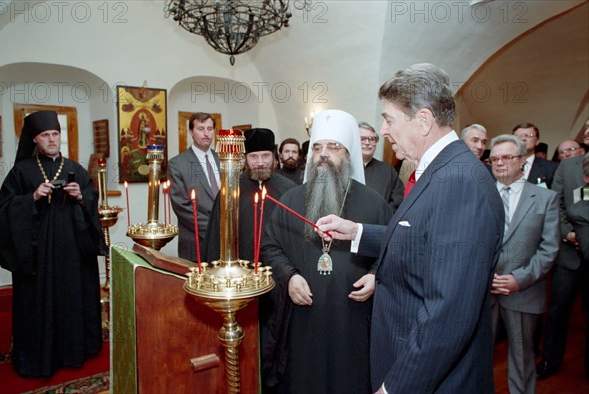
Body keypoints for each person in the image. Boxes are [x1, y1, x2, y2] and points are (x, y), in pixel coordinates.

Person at [316, 64, 504, 393]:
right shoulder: (440, 169)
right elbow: (420, 239)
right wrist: (357, 232)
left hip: (429, 377)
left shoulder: (459, 182)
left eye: (389, 119)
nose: (383, 130)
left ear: (423, 120)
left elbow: (448, 313)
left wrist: (396, 387)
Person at [260, 109, 392, 393]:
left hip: (353, 318)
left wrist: (375, 276)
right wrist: (290, 276)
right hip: (303, 318)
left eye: (334, 147)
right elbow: (270, 246)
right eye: (318, 147)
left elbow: (392, 248)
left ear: (348, 154)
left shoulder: (374, 203)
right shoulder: (291, 199)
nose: (323, 154)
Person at [0, 111, 105, 377]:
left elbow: (92, 198)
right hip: (38, 254)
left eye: (55, 134)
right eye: (46, 135)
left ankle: (76, 350)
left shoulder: (75, 168)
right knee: (39, 302)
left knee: (73, 297)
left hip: (73, 253)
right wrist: (31, 197)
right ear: (35, 139)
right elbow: (1, 213)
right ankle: (39, 357)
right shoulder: (21, 171)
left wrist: (81, 197)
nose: (52, 139)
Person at [488, 135, 559, 394]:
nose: (499, 163)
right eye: (494, 158)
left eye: (507, 157)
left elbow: (549, 248)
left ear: (522, 162)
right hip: (484, 291)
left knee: (522, 357)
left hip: (524, 291)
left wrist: (521, 279)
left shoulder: (545, 199)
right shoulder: (480, 196)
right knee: (477, 356)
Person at [204, 128, 296, 262]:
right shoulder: (231, 188)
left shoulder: (289, 189)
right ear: (245, 158)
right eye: (253, 156)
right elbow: (216, 237)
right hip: (241, 270)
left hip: (279, 269)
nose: (260, 162)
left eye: (265, 156)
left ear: (274, 156)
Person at [537, 152, 589, 379]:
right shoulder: (568, 167)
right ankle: (550, 360)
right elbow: (555, 203)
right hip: (569, 254)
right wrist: (568, 233)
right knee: (557, 312)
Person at [168, 112, 220, 261]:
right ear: (191, 131)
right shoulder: (177, 164)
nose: (206, 134)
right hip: (196, 241)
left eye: (210, 129)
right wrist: (214, 230)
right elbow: (182, 206)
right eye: (201, 128)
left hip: (225, 243)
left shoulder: (222, 159)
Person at [359, 121, 404, 213]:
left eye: (372, 139)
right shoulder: (342, 169)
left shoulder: (388, 171)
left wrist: (381, 215)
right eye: (362, 139)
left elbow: (398, 201)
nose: (367, 143)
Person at [512, 123, 558, 188]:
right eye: (518, 136)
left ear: (537, 141)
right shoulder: (501, 165)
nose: (523, 139)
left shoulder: (552, 168)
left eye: (528, 135)